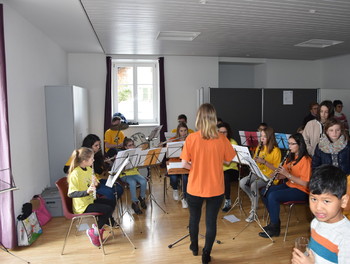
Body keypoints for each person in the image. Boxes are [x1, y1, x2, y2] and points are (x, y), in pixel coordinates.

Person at [180, 103, 235, 264]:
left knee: (194, 219)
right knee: (211, 222)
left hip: (194, 187)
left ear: (198, 118)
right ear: (213, 120)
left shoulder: (191, 138)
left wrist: (195, 168)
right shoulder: (222, 138)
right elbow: (227, 160)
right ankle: (206, 253)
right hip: (216, 188)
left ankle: (194, 247)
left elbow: (184, 164)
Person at [291, 165, 350, 264]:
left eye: (326, 201)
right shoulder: (315, 222)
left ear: (343, 201)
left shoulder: (346, 237)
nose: (318, 208)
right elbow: (313, 252)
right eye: (314, 199)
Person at [259, 133, 311, 238]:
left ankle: (274, 228)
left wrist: (287, 175)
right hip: (290, 185)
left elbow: (305, 183)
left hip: (302, 190)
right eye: (289, 144)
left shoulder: (306, 160)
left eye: (292, 144)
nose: (289, 146)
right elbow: (284, 173)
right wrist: (279, 176)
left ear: (300, 145)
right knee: (265, 191)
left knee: (273, 196)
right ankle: (275, 222)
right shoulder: (290, 157)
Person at [67, 147, 115, 247]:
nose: (93, 160)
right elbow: (71, 194)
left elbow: (97, 185)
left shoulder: (88, 169)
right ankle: (95, 231)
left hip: (90, 200)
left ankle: (97, 228)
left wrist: (96, 184)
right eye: (91, 159)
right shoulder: (75, 173)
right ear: (84, 161)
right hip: (82, 206)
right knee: (107, 209)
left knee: (111, 202)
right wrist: (87, 191)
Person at [239, 126, 282, 223]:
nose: (261, 139)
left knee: (254, 185)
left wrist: (264, 162)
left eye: (264, 137)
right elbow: (255, 163)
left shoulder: (276, 151)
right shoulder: (259, 147)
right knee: (242, 182)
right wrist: (251, 163)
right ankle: (254, 197)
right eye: (261, 136)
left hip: (270, 176)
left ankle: (253, 212)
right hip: (259, 173)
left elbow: (277, 170)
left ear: (270, 137)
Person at [63, 134, 124, 201]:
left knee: (118, 187)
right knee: (110, 193)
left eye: (99, 145)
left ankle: (109, 205)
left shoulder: (96, 154)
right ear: (89, 146)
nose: (99, 147)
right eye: (96, 145)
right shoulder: (80, 154)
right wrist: (83, 165)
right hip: (87, 183)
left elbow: (100, 171)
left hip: (97, 180)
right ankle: (104, 207)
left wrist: (106, 163)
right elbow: (66, 169)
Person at [119, 137, 148, 215]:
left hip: (135, 173)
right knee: (132, 183)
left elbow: (139, 164)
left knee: (143, 181)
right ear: (125, 147)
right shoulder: (122, 155)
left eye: (132, 145)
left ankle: (142, 198)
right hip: (125, 174)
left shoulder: (136, 153)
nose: (132, 147)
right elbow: (119, 168)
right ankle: (134, 202)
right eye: (129, 145)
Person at [217, 122, 239, 212]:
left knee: (225, 176)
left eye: (224, 132)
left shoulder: (233, 143)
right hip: (218, 168)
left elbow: (228, 162)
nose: (222, 134)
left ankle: (227, 200)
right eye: (220, 132)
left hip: (231, 169)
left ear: (228, 132)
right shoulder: (214, 142)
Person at [168, 122, 189, 208]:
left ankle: (184, 198)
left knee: (185, 178)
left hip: (185, 163)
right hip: (174, 162)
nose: (183, 133)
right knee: (173, 177)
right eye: (181, 131)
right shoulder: (173, 140)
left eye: (185, 131)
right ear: (178, 131)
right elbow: (168, 153)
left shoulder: (189, 140)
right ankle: (175, 189)